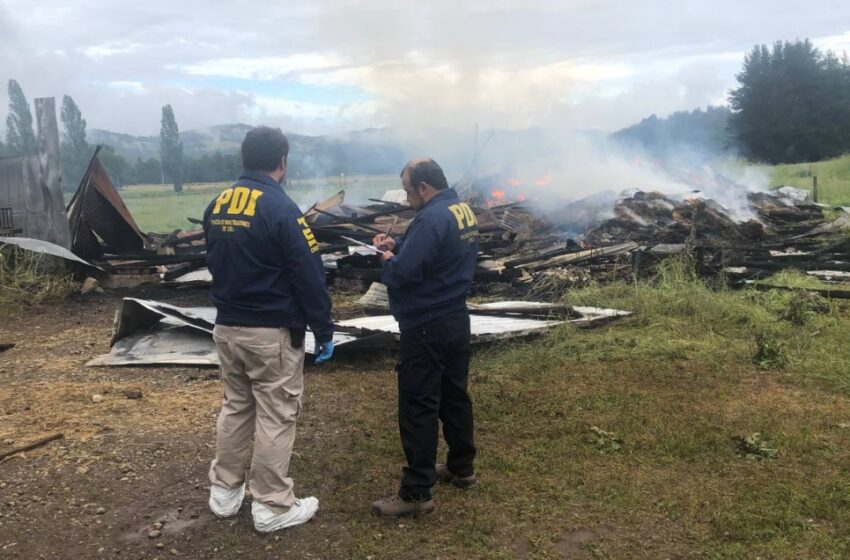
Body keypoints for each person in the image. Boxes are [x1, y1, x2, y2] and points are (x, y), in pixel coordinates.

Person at [202, 126, 335, 533]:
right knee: (277, 415)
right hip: (270, 333)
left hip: (227, 326)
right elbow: (309, 274)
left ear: (244, 159)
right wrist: (323, 328)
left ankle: (224, 493)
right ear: (282, 162)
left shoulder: (217, 205)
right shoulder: (282, 209)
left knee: (236, 407)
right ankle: (273, 506)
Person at [370, 158, 480, 517]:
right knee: (454, 395)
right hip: (455, 319)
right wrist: (399, 244)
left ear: (423, 187)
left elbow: (403, 274)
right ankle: (463, 468)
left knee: (418, 405)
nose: (406, 199)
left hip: (426, 326)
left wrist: (387, 258)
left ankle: (417, 493)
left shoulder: (431, 217)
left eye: (407, 191)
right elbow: (435, 253)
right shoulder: (459, 210)